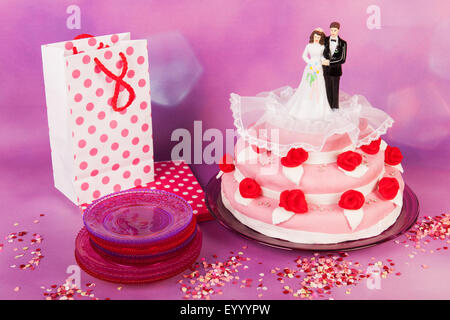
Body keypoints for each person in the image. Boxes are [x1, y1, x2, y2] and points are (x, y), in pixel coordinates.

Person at [287, 28, 332, 120]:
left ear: (321, 38)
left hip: (319, 68)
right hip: (310, 68)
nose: (317, 38)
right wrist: (310, 62)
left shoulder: (322, 47)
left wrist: (324, 61)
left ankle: (318, 106)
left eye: (318, 37)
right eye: (315, 36)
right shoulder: (309, 46)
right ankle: (306, 104)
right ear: (313, 36)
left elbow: (322, 57)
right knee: (308, 85)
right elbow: (303, 56)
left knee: (318, 86)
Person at [323, 21, 347, 109]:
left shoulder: (343, 43)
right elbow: (320, 52)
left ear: (338, 31)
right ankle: (327, 108)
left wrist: (330, 62)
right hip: (325, 69)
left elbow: (343, 59)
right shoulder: (325, 40)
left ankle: (335, 109)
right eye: (331, 30)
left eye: (335, 30)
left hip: (336, 70)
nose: (333, 32)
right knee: (327, 89)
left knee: (335, 90)